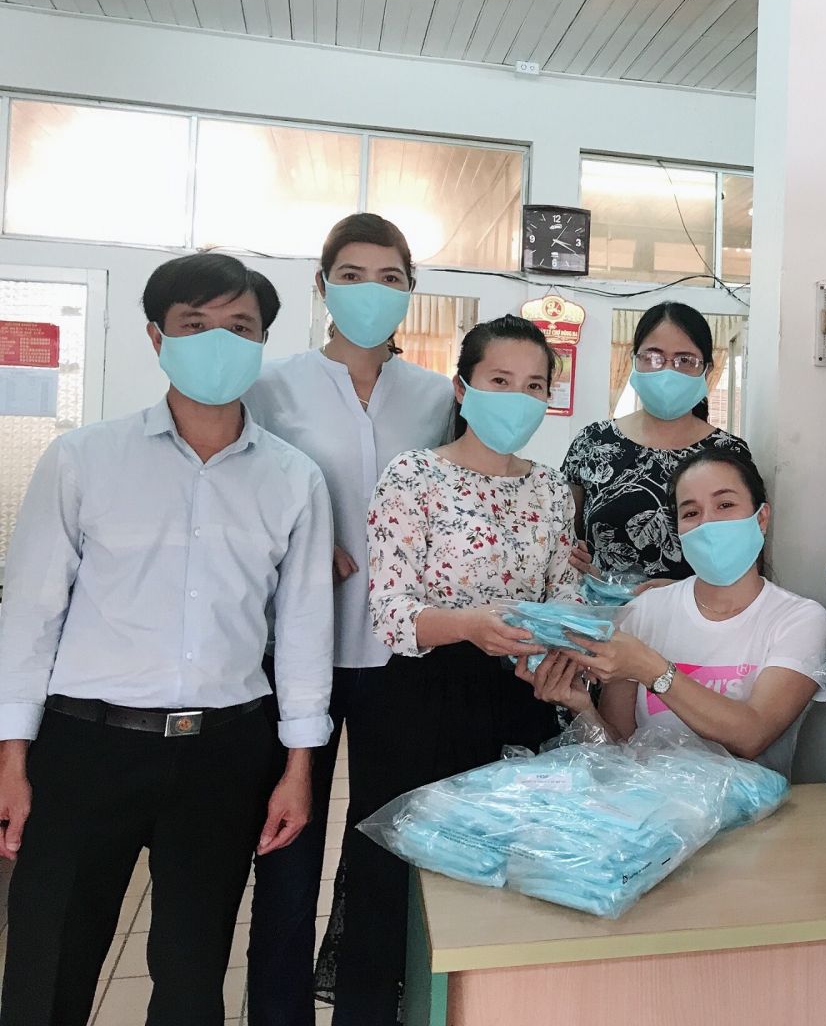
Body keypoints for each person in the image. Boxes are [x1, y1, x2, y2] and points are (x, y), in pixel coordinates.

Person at [0, 253, 334, 1026]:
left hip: (224, 751)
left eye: (240, 326)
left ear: (263, 342)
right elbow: (30, 614)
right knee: (49, 965)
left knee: (193, 971)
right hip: (86, 746)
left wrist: (298, 768)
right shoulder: (84, 459)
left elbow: (304, 629)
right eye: (195, 324)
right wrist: (12, 759)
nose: (219, 341)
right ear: (158, 338)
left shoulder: (294, 479)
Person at [329, 313, 576, 1025]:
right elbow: (391, 614)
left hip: (522, 699)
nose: (518, 397)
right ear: (464, 389)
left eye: (534, 386)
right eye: (500, 380)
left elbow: (561, 592)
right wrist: (470, 624)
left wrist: (564, 638)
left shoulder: (552, 489)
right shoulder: (415, 476)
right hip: (420, 701)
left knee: (506, 872)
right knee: (400, 875)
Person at [242, 214, 455, 1026]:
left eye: (391, 277)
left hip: (402, 658)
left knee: (382, 850)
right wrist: (304, 537)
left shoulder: (435, 396)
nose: (372, 291)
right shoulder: (272, 388)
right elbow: (245, 495)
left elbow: (456, 498)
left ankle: (366, 1010)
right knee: (286, 851)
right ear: (323, 284)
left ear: (410, 290)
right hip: (298, 651)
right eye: (353, 274)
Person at [530, 450, 826, 777]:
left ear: (761, 519)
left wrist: (651, 669)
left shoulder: (799, 619)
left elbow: (752, 735)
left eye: (725, 505)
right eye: (691, 512)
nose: (708, 523)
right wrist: (582, 707)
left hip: (754, 807)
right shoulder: (644, 611)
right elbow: (618, 751)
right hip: (650, 803)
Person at [563, 302, 751, 586]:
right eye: (653, 357)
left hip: (699, 609)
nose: (668, 371)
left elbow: (746, 555)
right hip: (603, 608)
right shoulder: (593, 442)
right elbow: (565, 541)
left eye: (685, 360)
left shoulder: (728, 452)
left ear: (707, 370)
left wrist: (680, 592)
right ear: (633, 360)